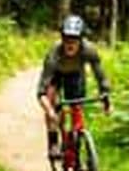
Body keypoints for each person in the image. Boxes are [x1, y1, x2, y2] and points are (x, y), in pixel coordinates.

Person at [37, 14, 112, 155]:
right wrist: (50, 111)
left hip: (75, 75)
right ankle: (53, 142)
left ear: (81, 40)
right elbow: (41, 91)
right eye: (66, 39)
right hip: (56, 76)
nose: (70, 43)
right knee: (52, 100)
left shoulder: (89, 50)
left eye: (75, 40)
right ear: (62, 38)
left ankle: (74, 139)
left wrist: (106, 98)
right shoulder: (54, 54)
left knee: (76, 106)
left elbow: (100, 76)